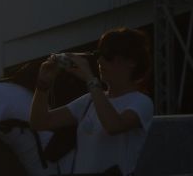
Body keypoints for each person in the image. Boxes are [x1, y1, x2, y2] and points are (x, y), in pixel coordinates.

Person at [30, 28, 154, 176]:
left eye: (108, 56)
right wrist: (43, 85)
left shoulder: (141, 102)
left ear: (131, 62)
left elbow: (114, 126)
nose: (100, 61)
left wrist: (90, 79)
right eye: (100, 55)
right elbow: (40, 122)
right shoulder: (91, 100)